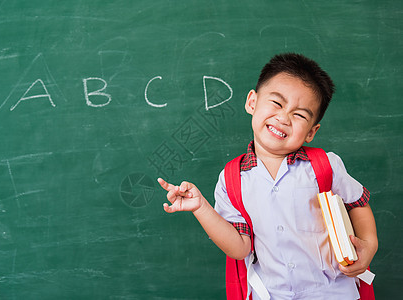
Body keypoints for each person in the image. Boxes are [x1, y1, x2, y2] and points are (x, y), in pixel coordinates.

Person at [158, 53, 378, 299]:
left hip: (333, 292)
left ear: (311, 132)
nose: (283, 118)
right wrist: (200, 207)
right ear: (252, 102)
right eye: (277, 103)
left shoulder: (325, 165)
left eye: (300, 115)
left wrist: (369, 245)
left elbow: (358, 203)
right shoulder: (232, 179)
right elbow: (240, 248)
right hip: (271, 294)